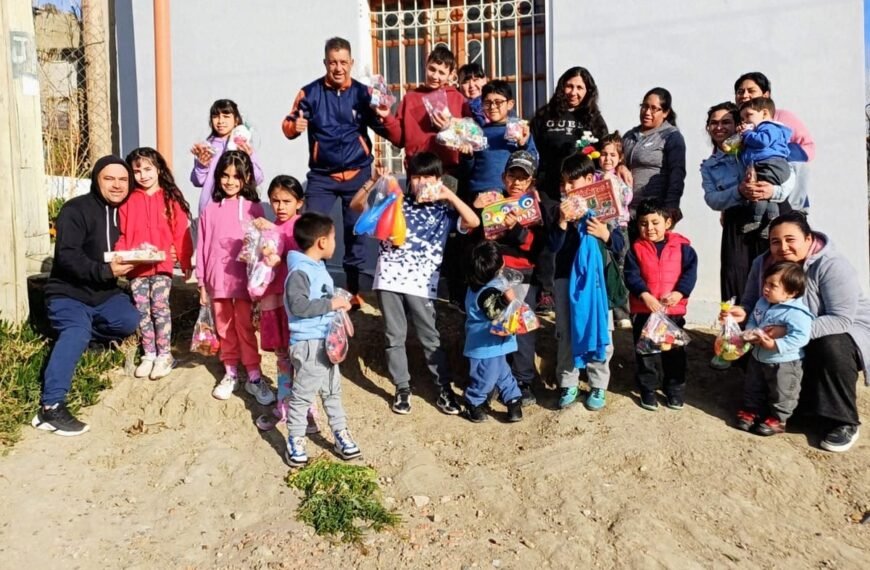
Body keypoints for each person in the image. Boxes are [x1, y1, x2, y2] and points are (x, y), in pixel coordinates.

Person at [725, 212, 870, 453]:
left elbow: (841, 318)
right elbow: (751, 303)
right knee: (748, 343)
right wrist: (741, 314)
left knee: (830, 347)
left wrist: (789, 332)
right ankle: (793, 406)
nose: (782, 247)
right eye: (775, 241)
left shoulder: (831, 265)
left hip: (842, 331)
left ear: (808, 238)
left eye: (790, 239)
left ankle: (842, 421)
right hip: (784, 331)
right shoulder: (762, 264)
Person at [350, 153, 480, 415]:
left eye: (427, 177)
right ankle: (402, 388)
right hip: (388, 278)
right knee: (393, 336)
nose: (421, 182)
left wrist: (449, 196)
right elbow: (356, 206)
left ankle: (443, 389)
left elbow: (474, 222)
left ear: (438, 179)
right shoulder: (394, 200)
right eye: (416, 177)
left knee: (430, 337)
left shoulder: (444, 211)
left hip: (422, 284)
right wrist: (373, 181)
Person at [31, 156, 140, 436]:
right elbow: (67, 258)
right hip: (68, 293)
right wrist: (105, 271)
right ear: (97, 180)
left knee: (129, 320)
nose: (117, 185)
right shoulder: (75, 210)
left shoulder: (127, 212)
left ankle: (88, 339)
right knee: (76, 331)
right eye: (109, 179)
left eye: (123, 179)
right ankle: (50, 407)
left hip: (104, 294)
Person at [281, 37, 393, 308]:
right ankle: (309, 289)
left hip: (358, 175)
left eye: (343, 62)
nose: (338, 68)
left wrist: (384, 114)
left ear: (351, 63)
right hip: (322, 177)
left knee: (355, 233)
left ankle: (354, 291)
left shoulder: (364, 93)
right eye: (333, 62)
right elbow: (288, 124)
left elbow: (387, 129)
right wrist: (293, 128)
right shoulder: (310, 93)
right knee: (309, 230)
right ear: (325, 63)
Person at [701, 101, 796, 370]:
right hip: (737, 221)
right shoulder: (710, 165)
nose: (719, 127)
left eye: (726, 122)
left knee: (773, 277)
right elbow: (712, 199)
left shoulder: (757, 146)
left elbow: (789, 174)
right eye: (714, 123)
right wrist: (739, 193)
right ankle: (731, 342)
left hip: (771, 217)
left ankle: (769, 343)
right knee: (734, 280)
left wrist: (772, 192)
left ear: (738, 125)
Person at [550, 153, 627, 411]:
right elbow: (551, 247)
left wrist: (605, 233)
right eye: (565, 183)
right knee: (566, 332)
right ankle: (568, 382)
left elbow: (620, 245)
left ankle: (598, 385)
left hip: (597, 282)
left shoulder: (602, 209)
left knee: (601, 330)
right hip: (564, 279)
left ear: (589, 180)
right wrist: (562, 222)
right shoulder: (559, 211)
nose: (569, 188)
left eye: (574, 182)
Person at [196, 151, 274, 405]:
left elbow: (262, 243)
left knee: (245, 328)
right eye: (225, 175)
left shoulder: (254, 207)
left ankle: (253, 374)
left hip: (244, 282)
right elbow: (204, 245)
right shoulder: (209, 210)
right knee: (224, 328)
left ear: (247, 178)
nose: (229, 181)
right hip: (216, 280)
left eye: (236, 176)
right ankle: (230, 372)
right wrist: (202, 282)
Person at [283, 212, 360, 466]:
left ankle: (340, 433)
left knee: (332, 392)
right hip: (309, 344)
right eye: (334, 237)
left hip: (325, 342)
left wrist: (338, 303)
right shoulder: (299, 271)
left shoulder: (316, 268)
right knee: (303, 396)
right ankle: (295, 439)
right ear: (322, 242)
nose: (335, 243)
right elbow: (298, 306)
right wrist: (331, 303)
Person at [530, 67, 609, 314]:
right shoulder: (545, 115)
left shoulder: (593, 119)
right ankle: (546, 291)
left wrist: (620, 168)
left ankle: (583, 285)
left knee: (579, 237)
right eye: (569, 86)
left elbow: (604, 151)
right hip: (548, 187)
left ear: (588, 91)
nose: (573, 92)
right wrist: (531, 183)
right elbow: (532, 150)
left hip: (581, 191)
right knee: (551, 234)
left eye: (580, 88)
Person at [479, 151, 549, 405]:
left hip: (523, 277)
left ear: (531, 181)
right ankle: (493, 380)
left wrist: (516, 229)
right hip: (495, 277)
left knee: (522, 329)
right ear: (503, 177)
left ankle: (522, 380)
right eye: (512, 175)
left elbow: (536, 246)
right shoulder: (492, 204)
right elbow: (483, 240)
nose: (517, 182)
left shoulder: (534, 208)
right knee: (494, 327)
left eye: (523, 177)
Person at [117, 147, 193, 380]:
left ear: (158, 169)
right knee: (142, 310)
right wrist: (122, 255)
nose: (143, 175)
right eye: (137, 170)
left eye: (148, 169)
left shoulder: (170, 197)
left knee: (159, 307)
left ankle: (164, 355)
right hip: (137, 268)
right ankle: (148, 354)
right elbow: (122, 233)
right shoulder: (128, 200)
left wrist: (186, 261)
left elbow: (181, 232)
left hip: (162, 267)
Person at [250, 176, 318, 434]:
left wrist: (272, 232)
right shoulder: (268, 227)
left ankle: (307, 409)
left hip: (295, 303)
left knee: (300, 356)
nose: (280, 206)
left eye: (287, 201)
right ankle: (284, 406)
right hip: (272, 300)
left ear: (299, 203)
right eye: (275, 200)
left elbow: (298, 255)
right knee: (281, 355)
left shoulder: (302, 226)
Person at [624, 199, 697, 411]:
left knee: (673, 353)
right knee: (646, 354)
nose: (650, 228)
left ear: (668, 222)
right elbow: (631, 275)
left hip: (672, 313)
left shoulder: (684, 249)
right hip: (644, 312)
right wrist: (644, 295)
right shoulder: (635, 249)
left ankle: (674, 390)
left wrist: (679, 293)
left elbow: (689, 274)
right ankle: (647, 389)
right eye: (644, 223)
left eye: (655, 222)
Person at [735, 261, 813, 437]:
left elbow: (801, 336)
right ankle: (752, 411)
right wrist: (750, 332)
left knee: (782, 390)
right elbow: (754, 320)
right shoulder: (762, 303)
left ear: (791, 292)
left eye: (773, 286)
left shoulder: (796, 313)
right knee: (753, 385)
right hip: (758, 356)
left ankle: (778, 419)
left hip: (784, 362)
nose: (766, 288)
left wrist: (776, 345)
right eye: (766, 283)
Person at [382, 45, 472, 173]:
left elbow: (470, 135)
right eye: (432, 69)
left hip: (449, 172)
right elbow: (399, 139)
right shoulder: (410, 99)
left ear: (450, 75)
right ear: (426, 65)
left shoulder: (457, 98)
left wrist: (450, 127)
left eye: (441, 73)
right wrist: (387, 116)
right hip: (417, 171)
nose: (435, 76)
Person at [733, 71, 813, 212]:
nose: (744, 95)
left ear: (766, 95)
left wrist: (776, 156)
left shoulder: (781, 118)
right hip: (748, 197)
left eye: (751, 91)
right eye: (740, 92)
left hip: (785, 194)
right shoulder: (738, 124)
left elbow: (807, 149)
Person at [462, 240, 524, 423]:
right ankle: (474, 401)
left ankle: (513, 399)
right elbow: (493, 312)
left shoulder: (489, 282)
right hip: (484, 345)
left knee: (502, 371)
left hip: (497, 342)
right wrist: (506, 300)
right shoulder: (484, 292)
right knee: (486, 376)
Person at [463, 80, 537, 207]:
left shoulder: (519, 130)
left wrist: (523, 145)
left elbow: (534, 162)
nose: (492, 107)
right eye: (487, 103)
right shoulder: (476, 133)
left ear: (510, 104)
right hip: (481, 195)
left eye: (498, 102)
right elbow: (467, 171)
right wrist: (467, 157)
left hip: (511, 192)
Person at [622, 87, 687, 223]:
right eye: (644, 106)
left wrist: (671, 207)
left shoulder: (671, 136)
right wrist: (620, 166)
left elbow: (677, 173)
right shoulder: (629, 136)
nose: (647, 112)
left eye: (653, 108)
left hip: (653, 214)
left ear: (665, 112)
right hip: (626, 214)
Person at [190, 99, 264, 216]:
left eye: (226, 116)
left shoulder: (244, 145)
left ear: (236, 120)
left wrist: (250, 157)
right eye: (216, 116)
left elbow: (258, 178)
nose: (220, 121)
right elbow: (197, 181)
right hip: (211, 209)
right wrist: (201, 165)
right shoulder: (207, 147)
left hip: (239, 210)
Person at [737, 97, 793, 234]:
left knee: (760, 192)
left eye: (749, 115)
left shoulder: (769, 127)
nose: (745, 121)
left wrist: (747, 134)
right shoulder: (757, 131)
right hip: (765, 165)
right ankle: (769, 222)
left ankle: (757, 219)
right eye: (742, 118)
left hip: (772, 165)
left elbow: (763, 141)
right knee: (766, 196)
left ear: (765, 113)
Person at [597, 132, 633, 329]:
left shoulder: (622, 179)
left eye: (612, 155)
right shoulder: (592, 177)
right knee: (605, 265)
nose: (607, 159)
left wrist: (611, 181)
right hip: (600, 227)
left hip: (619, 227)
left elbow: (626, 199)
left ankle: (622, 311)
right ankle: (607, 306)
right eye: (603, 154)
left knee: (622, 265)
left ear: (620, 158)